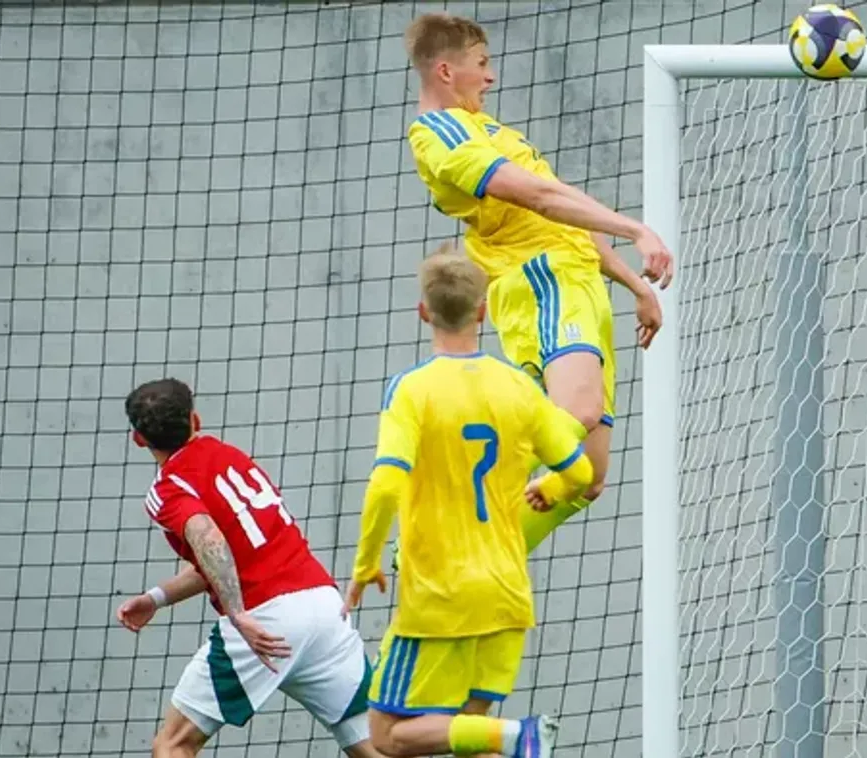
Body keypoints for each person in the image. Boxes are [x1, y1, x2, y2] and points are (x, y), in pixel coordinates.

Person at [402, 11, 673, 551]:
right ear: (446, 71)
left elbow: (560, 213)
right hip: (542, 281)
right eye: (482, 64)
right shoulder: (440, 135)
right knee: (577, 412)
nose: (491, 76)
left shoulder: (490, 130)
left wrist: (635, 284)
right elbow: (539, 198)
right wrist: (634, 228)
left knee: (585, 478)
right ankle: (442, 520)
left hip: (577, 280)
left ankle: (477, 560)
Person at [343, 248, 594, 758]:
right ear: (483, 312)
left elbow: (386, 484)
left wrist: (366, 563)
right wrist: (548, 489)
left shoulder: (412, 390)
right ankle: (511, 738)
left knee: (386, 735)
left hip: (439, 598)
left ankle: (515, 734)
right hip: (506, 595)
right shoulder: (518, 387)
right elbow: (581, 473)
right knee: (468, 735)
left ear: (423, 311)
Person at [117, 378, 381, 758]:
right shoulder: (231, 457)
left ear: (138, 439)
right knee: (374, 747)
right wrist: (156, 598)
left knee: (172, 744)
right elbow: (226, 556)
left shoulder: (168, 489)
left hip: (265, 618)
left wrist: (238, 614)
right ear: (195, 420)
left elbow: (209, 539)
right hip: (324, 607)